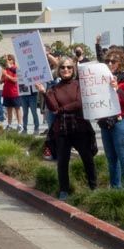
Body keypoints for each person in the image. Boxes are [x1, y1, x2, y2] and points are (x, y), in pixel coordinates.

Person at [37, 56, 98, 199]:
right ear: (59, 70)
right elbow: (52, 107)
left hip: (80, 127)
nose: (66, 69)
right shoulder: (53, 89)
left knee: (87, 158)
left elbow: (80, 103)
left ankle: (94, 187)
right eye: (63, 67)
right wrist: (44, 93)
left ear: (73, 69)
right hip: (62, 129)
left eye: (69, 67)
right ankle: (64, 190)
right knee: (62, 161)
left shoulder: (79, 85)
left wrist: (61, 109)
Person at [97, 47, 124, 189]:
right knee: (111, 159)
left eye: (113, 61)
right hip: (105, 123)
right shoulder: (101, 79)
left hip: (120, 123)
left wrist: (117, 89)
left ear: (121, 63)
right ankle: (115, 190)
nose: (109, 64)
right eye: (107, 61)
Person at [0, 55, 21, 130]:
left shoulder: (15, 68)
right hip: (6, 92)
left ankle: (19, 124)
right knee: (9, 109)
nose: (8, 61)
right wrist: (3, 77)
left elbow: (15, 80)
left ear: (13, 60)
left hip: (14, 92)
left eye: (9, 59)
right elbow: (1, 81)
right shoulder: (6, 69)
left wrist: (7, 75)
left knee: (17, 109)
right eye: (7, 59)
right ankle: (9, 124)